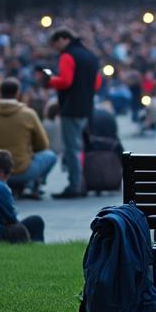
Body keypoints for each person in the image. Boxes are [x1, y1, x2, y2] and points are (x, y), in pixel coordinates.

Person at [0, 78, 55, 198]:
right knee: (50, 156)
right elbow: (43, 144)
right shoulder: (29, 114)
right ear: (18, 93)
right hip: (23, 171)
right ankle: (34, 185)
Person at [46, 28, 101, 199]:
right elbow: (97, 83)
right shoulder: (90, 55)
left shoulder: (67, 56)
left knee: (72, 149)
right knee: (81, 146)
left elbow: (65, 81)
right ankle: (83, 182)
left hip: (71, 108)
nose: (56, 48)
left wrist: (50, 80)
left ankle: (74, 185)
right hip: (87, 108)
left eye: (55, 44)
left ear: (63, 39)